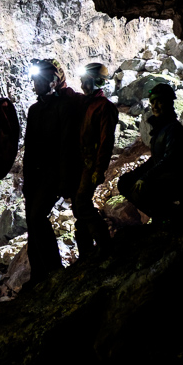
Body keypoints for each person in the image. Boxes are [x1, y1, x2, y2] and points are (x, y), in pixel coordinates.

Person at [21, 58, 83, 284]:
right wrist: (27, 180)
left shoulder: (64, 107)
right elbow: (30, 147)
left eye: (42, 79)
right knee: (31, 220)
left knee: (37, 216)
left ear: (55, 81)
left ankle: (55, 270)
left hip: (54, 172)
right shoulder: (34, 110)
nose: (37, 84)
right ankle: (39, 274)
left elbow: (67, 144)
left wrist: (64, 179)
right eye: (35, 80)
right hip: (37, 174)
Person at [118, 82, 183, 221]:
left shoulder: (174, 129)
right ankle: (161, 216)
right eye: (152, 102)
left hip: (174, 179)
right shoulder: (161, 128)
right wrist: (137, 174)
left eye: (159, 102)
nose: (154, 106)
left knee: (142, 190)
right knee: (125, 182)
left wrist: (145, 177)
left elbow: (170, 160)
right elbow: (155, 159)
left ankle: (170, 217)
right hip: (163, 174)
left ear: (169, 103)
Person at [72, 62, 119, 259]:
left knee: (82, 204)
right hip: (78, 161)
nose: (82, 84)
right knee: (78, 205)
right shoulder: (84, 104)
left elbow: (105, 142)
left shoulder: (104, 108)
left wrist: (98, 170)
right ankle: (86, 252)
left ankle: (105, 245)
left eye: (86, 80)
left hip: (90, 163)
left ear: (96, 82)